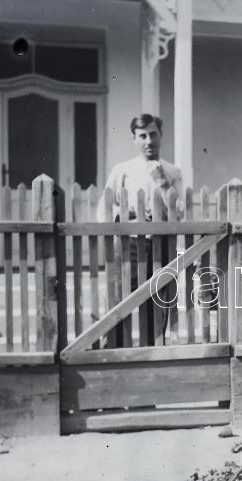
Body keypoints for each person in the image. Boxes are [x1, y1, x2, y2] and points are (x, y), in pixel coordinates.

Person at [105, 113, 184, 345]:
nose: (149, 141)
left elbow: (180, 212)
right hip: (130, 244)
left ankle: (153, 348)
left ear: (161, 136)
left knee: (158, 299)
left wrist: (162, 181)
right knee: (124, 299)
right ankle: (118, 349)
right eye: (142, 136)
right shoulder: (122, 170)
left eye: (153, 134)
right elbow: (105, 208)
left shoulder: (172, 171)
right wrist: (128, 213)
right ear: (134, 139)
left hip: (162, 244)